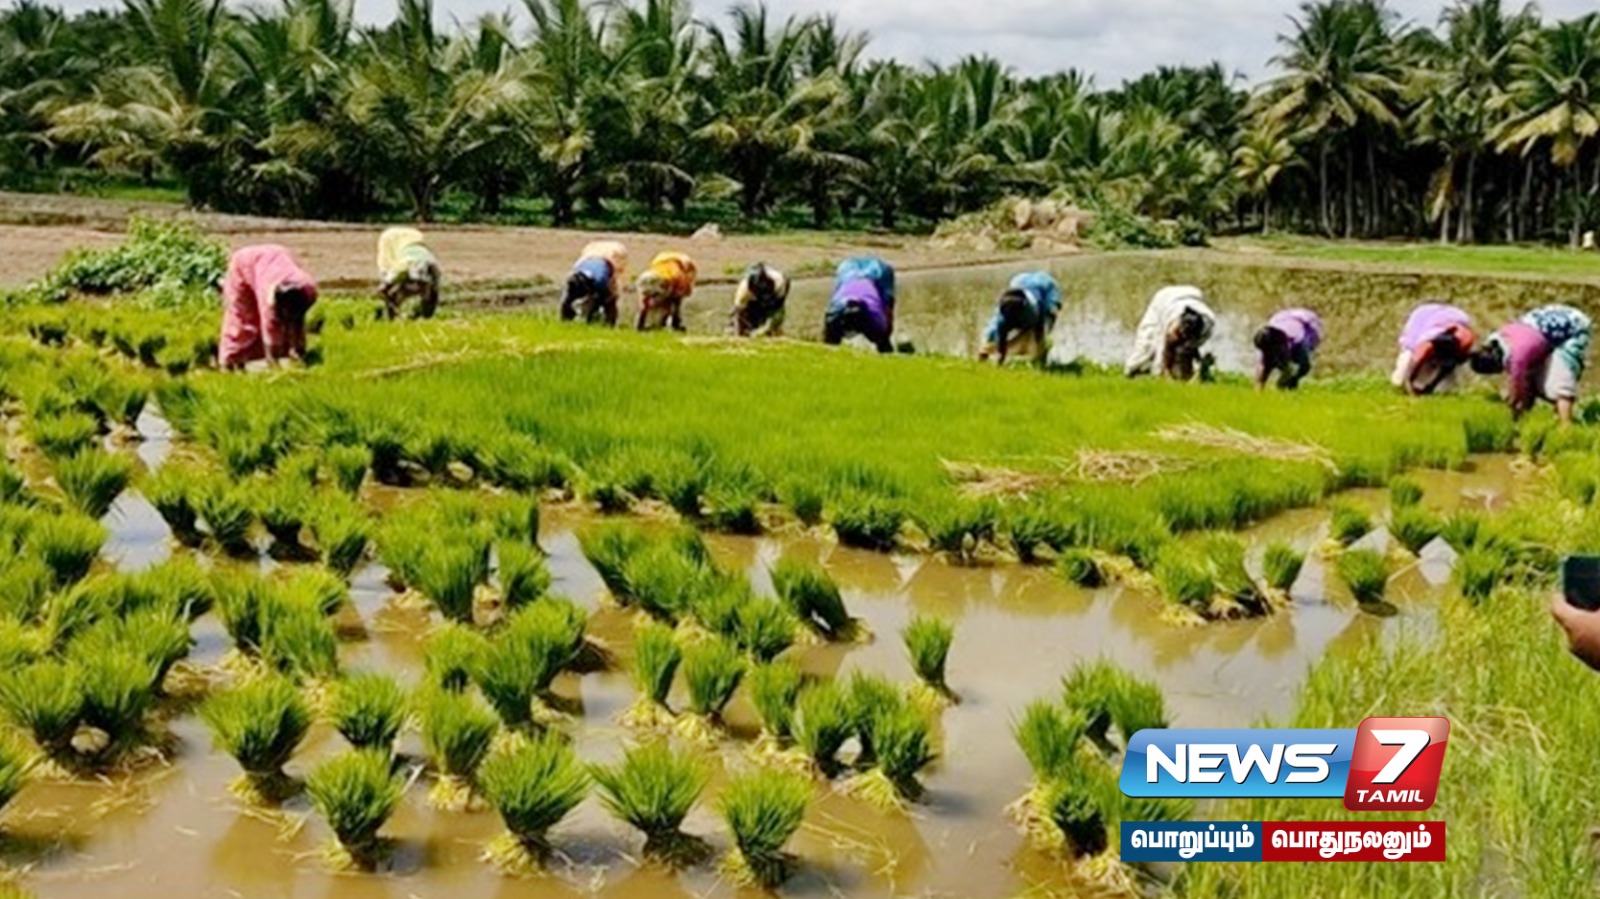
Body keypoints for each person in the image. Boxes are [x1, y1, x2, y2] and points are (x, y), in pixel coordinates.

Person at [218, 245, 317, 370]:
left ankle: (296, 354)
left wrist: (300, 350)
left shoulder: (309, 290)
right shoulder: (268, 298)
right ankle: (229, 363)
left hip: (278, 256)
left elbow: (298, 320)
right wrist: (274, 365)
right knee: (242, 319)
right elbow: (270, 334)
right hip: (245, 264)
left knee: (294, 322)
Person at [1124, 285, 1216, 380]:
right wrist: (1161, 372)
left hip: (1190, 297)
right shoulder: (1172, 327)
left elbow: (1196, 351)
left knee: (1184, 354)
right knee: (1146, 345)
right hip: (1164, 300)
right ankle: (1131, 372)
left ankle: (1182, 376)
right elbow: (1164, 349)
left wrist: (1201, 365)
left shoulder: (1207, 325)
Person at [1522, 304, 1591, 425]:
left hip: (1574, 328)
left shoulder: (1522, 345)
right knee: (1534, 378)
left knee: (1562, 381)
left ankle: (1566, 426)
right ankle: (1525, 417)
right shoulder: (1521, 337)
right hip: (1551, 329)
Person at [1469, 320, 1553, 419]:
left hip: (1549, 341)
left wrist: (1512, 402)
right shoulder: (1495, 340)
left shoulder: (1517, 359)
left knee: (1535, 387)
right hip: (1532, 326)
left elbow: (1519, 388)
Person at [1391, 303, 1475, 396]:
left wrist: (1431, 386)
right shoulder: (1429, 340)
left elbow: (1448, 366)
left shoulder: (1464, 341)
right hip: (1422, 320)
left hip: (1448, 327)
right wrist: (1409, 381)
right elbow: (1417, 357)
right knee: (1399, 380)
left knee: (1444, 390)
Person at [980, 271, 1061, 365]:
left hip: (1047, 288)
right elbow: (997, 334)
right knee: (992, 335)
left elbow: (1040, 328)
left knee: (1042, 331)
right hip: (1019, 281)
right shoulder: (1002, 316)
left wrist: (1040, 347)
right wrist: (990, 352)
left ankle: (1040, 359)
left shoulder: (1033, 311)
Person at [824, 257, 896, 353]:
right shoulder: (834, 318)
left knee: (883, 336)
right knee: (883, 338)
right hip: (875, 273)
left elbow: (828, 346)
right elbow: (888, 315)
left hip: (850, 272)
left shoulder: (834, 317)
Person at [376, 227, 441, 319]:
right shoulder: (428, 268)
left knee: (391, 291)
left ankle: (394, 315)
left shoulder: (405, 267)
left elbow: (388, 282)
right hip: (417, 262)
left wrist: (386, 285)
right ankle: (394, 314)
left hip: (413, 264)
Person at [1254, 308, 1324, 390]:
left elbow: (1305, 366)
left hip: (1308, 321)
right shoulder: (1268, 339)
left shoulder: (1298, 340)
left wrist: (1291, 378)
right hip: (1282, 319)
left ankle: (1291, 381)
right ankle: (1286, 381)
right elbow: (1262, 370)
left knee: (1302, 366)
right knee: (1267, 365)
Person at [561, 240, 627, 325]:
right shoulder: (573, 279)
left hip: (611, 260)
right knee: (570, 300)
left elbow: (604, 297)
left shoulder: (600, 280)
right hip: (592, 258)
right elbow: (566, 301)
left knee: (609, 300)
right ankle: (568, 320)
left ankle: (608, 323)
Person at [636, 251, 698, 331]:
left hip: (645, 276)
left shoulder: (661, 260)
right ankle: (667, 325)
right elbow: (680, 283)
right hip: (663, 279)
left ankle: (640, 325)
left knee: (644, 304)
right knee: (669, 302)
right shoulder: (678, 270)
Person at [732, 262, 790, 336]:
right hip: (752, 302)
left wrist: (766, 328)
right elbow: (739, 314)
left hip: (773, 298)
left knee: (774, 322)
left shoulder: (780, 282)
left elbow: (778, 311)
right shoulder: (743, 292)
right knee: (746, 318)